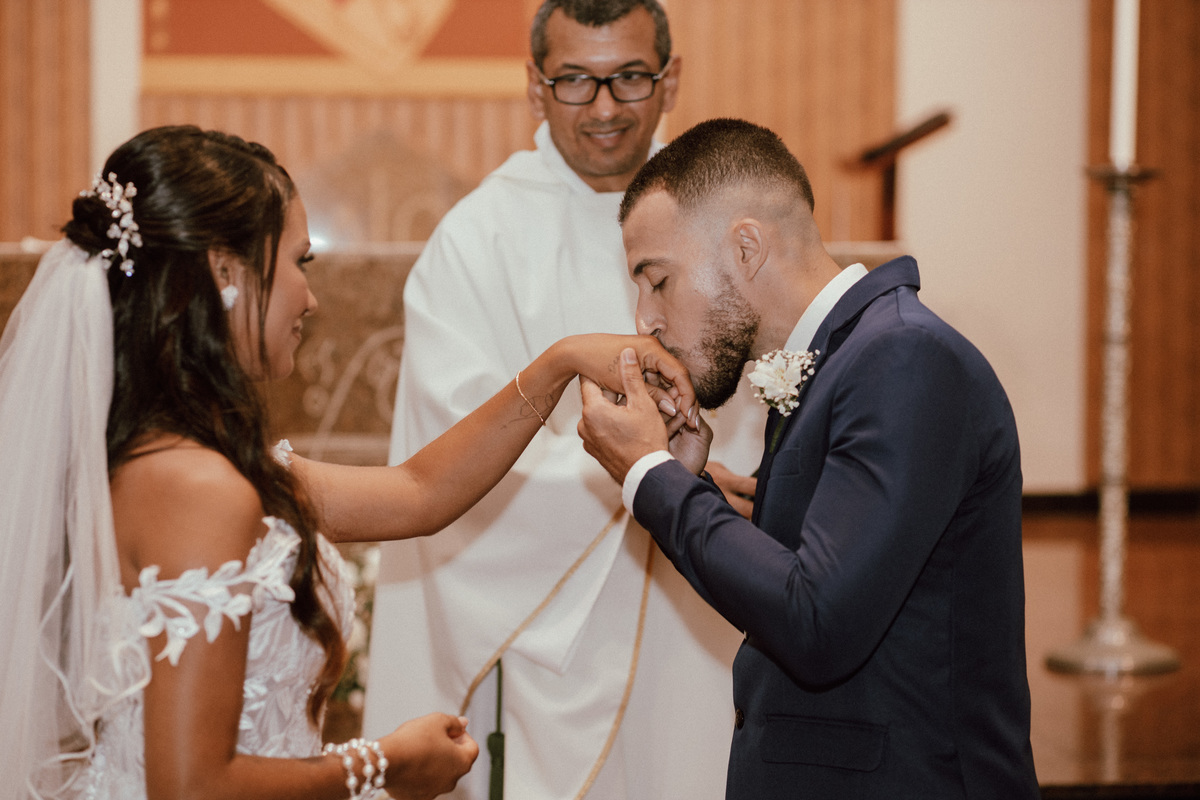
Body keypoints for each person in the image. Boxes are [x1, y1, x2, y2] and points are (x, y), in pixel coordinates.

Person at [0, 124, 697, 800]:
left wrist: (559, 363)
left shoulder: (181, 461)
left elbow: (419, 492)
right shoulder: (197, 487)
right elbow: (190, 786)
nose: (310, 297)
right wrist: (382, 763)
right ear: (225, 271)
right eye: (298, 263)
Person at [577, 118, 1041, 799]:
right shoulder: (844, 361)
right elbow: (795, 585)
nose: (645, 318)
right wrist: (688, 479)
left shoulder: (905, 358)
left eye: (658, 280)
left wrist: (650, 475)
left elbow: (816, 623)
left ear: (746, 247)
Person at [365, 1, 762, 798]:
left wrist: (717, 489)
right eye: (576, 80)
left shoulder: (728, 218)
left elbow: (761, 412)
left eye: (630, 77)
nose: (605, 107)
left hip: (702, 605)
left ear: (671, 80)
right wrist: (652, 478)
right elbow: (453, 463)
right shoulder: (476, 241)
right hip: (548, 631)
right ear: (534, 85)